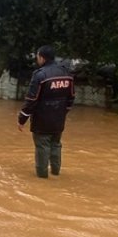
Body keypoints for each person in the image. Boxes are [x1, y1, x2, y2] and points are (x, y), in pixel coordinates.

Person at [18, 45, 75, 178]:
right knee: (56, 145)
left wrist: (22, 119)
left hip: (42, 119)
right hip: (59, 119)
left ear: (42, 57)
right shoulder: (67, 73)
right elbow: (71, 98)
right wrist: (63, 113)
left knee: (42, 147)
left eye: (37, 56)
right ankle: (56, 173)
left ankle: (42, 178)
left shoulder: (40, 75)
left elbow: (31, 100)